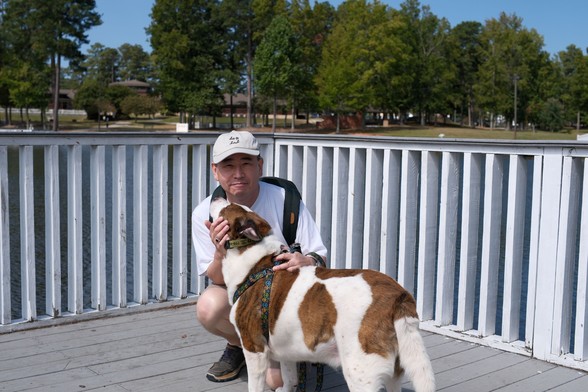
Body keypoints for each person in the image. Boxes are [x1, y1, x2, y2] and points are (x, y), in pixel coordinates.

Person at [191, 130, 327, 388]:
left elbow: (319, 256)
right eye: (228, 165)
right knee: (209, 307)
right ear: (215, 171)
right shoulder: (206, 212)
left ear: (260, 165)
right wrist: (221, 251)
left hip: (286, 299)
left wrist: (306, 261)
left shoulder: (286, 199)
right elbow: (217, 278)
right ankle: (241, 345)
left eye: (246, 163)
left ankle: (287, 348)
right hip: (245, 294)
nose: (238, 173)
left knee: (275, 381)